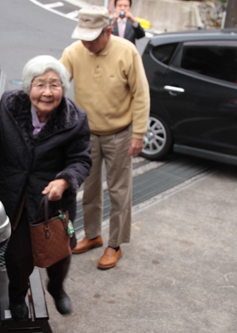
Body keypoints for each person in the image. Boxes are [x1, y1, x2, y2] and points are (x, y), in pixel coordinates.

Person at [0, 55, 92, 321]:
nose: (47, 92)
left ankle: (56, 287)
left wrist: (64, 181)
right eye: (40, 84)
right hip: (14, 197)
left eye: (55, 84)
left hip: (51, 202)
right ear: (29, 87)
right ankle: (17, 296)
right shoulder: (9, 106)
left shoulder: (75, 120)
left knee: (59, 254)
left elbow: (81, 160)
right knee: (18, 256)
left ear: (63, 87)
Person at [60, 6, 150, 270]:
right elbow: (56, 84)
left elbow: (141, 94)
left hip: (120, 134)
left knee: (120, 190)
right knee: (89, 188)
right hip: (86, 134)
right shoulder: (74, 52)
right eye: (83, 37)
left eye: (92, 38)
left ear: (108, 31)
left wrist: (139, 133)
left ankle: (115, 244)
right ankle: (92, 235)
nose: (86, 43)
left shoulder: (126, 51)